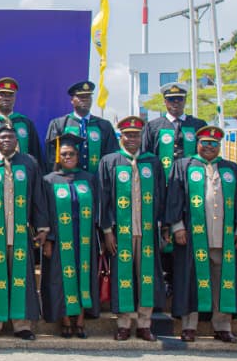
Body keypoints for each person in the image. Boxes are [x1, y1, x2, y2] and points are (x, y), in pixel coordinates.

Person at [165, 125, 237, 343]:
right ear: (197, 143)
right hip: (193, 237)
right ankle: (189, 326)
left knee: (223, 282)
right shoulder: (183, 166)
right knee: (190, 281)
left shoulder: (231, 169)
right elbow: (174, 198)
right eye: (205, 142)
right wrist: (177, 226)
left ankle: (222, 326)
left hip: (224, 237)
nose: (209, 147)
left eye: (214, 143)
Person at [0, 124, 49, 340]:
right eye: (2, 138)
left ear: (17, 141)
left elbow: (38, 197)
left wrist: (43, 228)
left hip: (20, 232)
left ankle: (21, 325)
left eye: (10, 137)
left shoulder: (29, 163)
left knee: (20, 278)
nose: (6, 141)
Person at [99, 116, 167, 341]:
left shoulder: (152, 162)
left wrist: (162, 227)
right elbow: (104, 198)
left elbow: (161, 195)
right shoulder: (110, 161)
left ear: (141, 137)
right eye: (127, 135)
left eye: (136, 135)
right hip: (121, 232)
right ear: (120, 136)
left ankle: (145, 323)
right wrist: (107, 231)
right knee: (123, 276)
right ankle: (124, 323)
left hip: (147, 230)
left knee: (146, 276)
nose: (132, 139)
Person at [141, 82, 206, 282]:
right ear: (165, 101)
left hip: (192, 190)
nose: (175, 103)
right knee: (163, 233)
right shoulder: (154, 126)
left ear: (185, 101)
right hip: (163, 190)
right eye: (171, 100)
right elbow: (146, 158)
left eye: (179, 99)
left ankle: (187, 281)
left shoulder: (197, 125)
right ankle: (166, 280)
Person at [40, 133, 101, 338]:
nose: (68, 157)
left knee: (83, 275)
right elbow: (45, 212)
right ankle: (65, 320)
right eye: (64, 154)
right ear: (58, 156)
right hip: (59, 238)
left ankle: (80, 320)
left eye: (71, 154)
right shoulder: (49, 180)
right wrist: (48, 240)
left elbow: (97, 208)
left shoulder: (88, 179)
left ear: (78, 156)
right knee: (61, 278)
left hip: (84, 238)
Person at [43, 80, 119, 174]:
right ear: (72, 100)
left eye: (88, 97)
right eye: (81, 97)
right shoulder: (59, 124)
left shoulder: (104, 125)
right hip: (68, 180)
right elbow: (51, 157)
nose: (85, 100)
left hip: (96, 180)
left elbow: (111, 156)